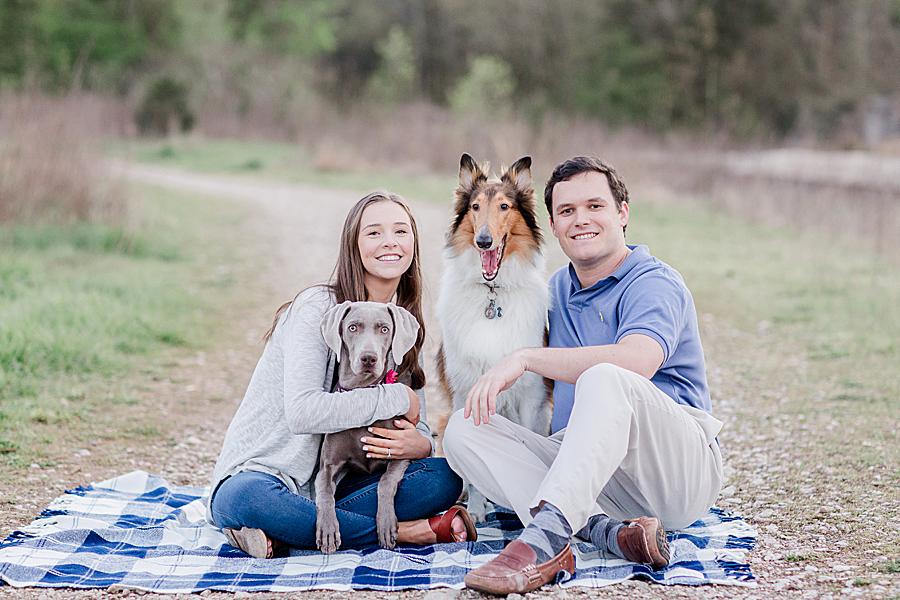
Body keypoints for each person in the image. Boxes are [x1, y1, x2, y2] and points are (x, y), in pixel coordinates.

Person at [443, 157, 724, 594]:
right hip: (592, 477)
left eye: (595, 206)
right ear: (553, 225)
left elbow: (636, 361)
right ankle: (603, 531)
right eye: (568, 211)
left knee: (604, 376)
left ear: (623, 213)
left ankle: (545, 543)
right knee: (464, 428)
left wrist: (525, 358)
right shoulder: (553, 290)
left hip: (673, 471)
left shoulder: (654, 282)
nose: (581, 220)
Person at [208, 191, 473, 558]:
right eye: (374, 233)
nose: (389, 243)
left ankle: (288, 534)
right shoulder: (317, 307)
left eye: (400, 231)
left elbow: (418, 428)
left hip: (340, 485)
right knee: (250, 500)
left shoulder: (398, 327)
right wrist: (399, 396)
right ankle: (404, 532)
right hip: (265, 478)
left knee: (445, 478)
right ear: (353, 245)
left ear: (413, 243)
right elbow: (304, 412)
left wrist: (423, 443)